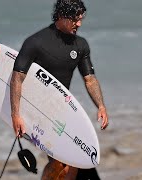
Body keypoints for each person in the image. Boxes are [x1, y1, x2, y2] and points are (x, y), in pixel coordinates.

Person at [9, 0, 109, 179]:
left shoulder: (80, 45)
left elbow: (90, 79)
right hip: (38, 113)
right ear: (62, 17)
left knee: (73, 160)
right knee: (63, 162)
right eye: (75, 20)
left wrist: (100, 106)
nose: (79, 24)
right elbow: (17, 77)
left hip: (62, 112)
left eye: (81, 19)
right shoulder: (35, 42)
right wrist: (16, 115)